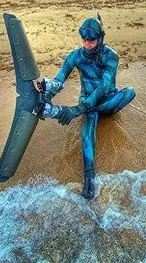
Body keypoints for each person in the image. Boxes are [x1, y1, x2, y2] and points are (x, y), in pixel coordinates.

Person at [37, 14, 136, 199]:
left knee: (130, 91)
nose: (87, 45)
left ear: (100, 38)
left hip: (108, 100)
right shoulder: (75, 55)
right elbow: (60, 79)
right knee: (86, 134)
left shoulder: (111, 55)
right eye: (84, 40)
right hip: (86, 100)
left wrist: (79, 109)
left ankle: (67, 111)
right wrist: (46, 88)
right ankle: (89, 176)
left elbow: (105, 86)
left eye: (92, 41)